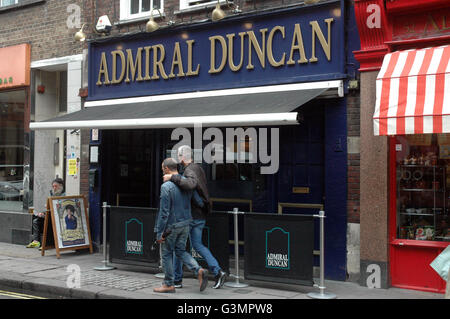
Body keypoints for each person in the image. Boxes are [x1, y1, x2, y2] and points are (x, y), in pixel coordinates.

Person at [164, 145, 227, 289]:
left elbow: (191, 184)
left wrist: (172, 177)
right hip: (200, 214)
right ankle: (218, 272)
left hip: (191, 215)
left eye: (179, 156)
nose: (178, 159)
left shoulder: (189, 170)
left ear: (182, 157)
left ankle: (177, 280)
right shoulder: (198, 168)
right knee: (197, 245)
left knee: (179, 247)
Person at [153, 158, 208, 293]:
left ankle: (168, 284)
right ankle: (198, 269)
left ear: (166, 169)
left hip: (171, 226)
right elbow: (199, 202)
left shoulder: (166, 186)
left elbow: (164, 212)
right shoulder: (185, 182)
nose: (162, 171)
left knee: (166, 254)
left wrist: (159, 232)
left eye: (162, 168)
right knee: (181, 251)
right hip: (186, 223)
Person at [26, 178, 65, 248]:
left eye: (56, 186)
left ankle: (46, 244)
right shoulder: (52, 194)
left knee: (45, 221)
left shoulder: (64, 195)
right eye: (53, 186)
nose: (54, 188)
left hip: (58, 217)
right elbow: (49, 207)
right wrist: (43, 213)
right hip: (50, 214)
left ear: (61, 186)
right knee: (36, 220)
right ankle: (36, 241)